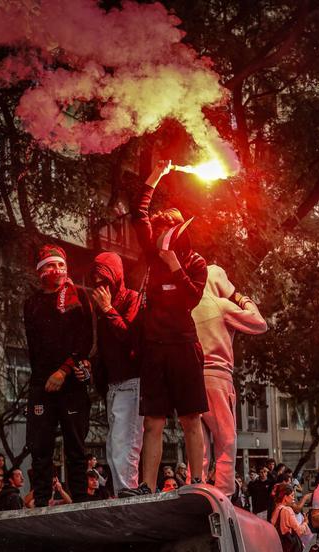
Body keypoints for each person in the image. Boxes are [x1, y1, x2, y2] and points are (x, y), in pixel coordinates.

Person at [126, 158, 209, 494]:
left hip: (184, 345)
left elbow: (191, 299)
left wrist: (176, 267)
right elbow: (138, 212)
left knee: (191, 418)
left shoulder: (194, 262)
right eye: (157, 231)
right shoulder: (152, 252)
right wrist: (156, 175)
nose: (159, 236)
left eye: (166, 230)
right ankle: (146, 485)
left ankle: (198, 483)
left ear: (178, 231)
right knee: (153, 422)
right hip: (154, 347)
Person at [24, 243, 95, 507]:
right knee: (39, 447)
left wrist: (64, 370)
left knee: (75, 446)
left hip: (70, 382)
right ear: (41, 271)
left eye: (62, 265)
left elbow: (84, 340)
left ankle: (80, 502)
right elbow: (34, 349)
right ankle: (41, 502)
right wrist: (43, 380)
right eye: (52, 265)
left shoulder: (78, 298)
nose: (58, 270)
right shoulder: (30, 304)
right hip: (42, 384)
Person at [192, 264, 268, 496]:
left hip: (192, 378)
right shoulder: (220, 305)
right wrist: (243, 299)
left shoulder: (189, 306)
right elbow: (259, 323)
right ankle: (224, 491)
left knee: (198, 441)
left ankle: (196, 486)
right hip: (217, 377)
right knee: (226, 438)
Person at [89, 251, 144, 492]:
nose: (101, 285)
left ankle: (127, 497)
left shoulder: (132, 298)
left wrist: (109, 309)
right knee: (113, 448)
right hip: (113, 385)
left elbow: (129, 337)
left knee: (125, 446)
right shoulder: (100, 308)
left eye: (105, 279)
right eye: (97, 280)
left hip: (131, 383)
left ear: (116, 275)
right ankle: (122, 495)